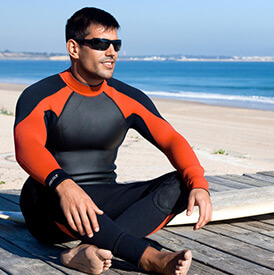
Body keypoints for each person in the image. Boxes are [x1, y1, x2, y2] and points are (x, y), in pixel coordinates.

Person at [14, 7, 212, 275]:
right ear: (73, 48)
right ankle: (148, 256)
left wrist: (199, 184)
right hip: (50, 205)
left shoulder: (128, 98)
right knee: (40, 187)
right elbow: (27, 146)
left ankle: (82, 251)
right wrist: (64, 185)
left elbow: (172, 140)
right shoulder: (41, 95)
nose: (112, 52)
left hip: (102, 200)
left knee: (181, 183)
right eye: (100, 44)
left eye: (116, 44)